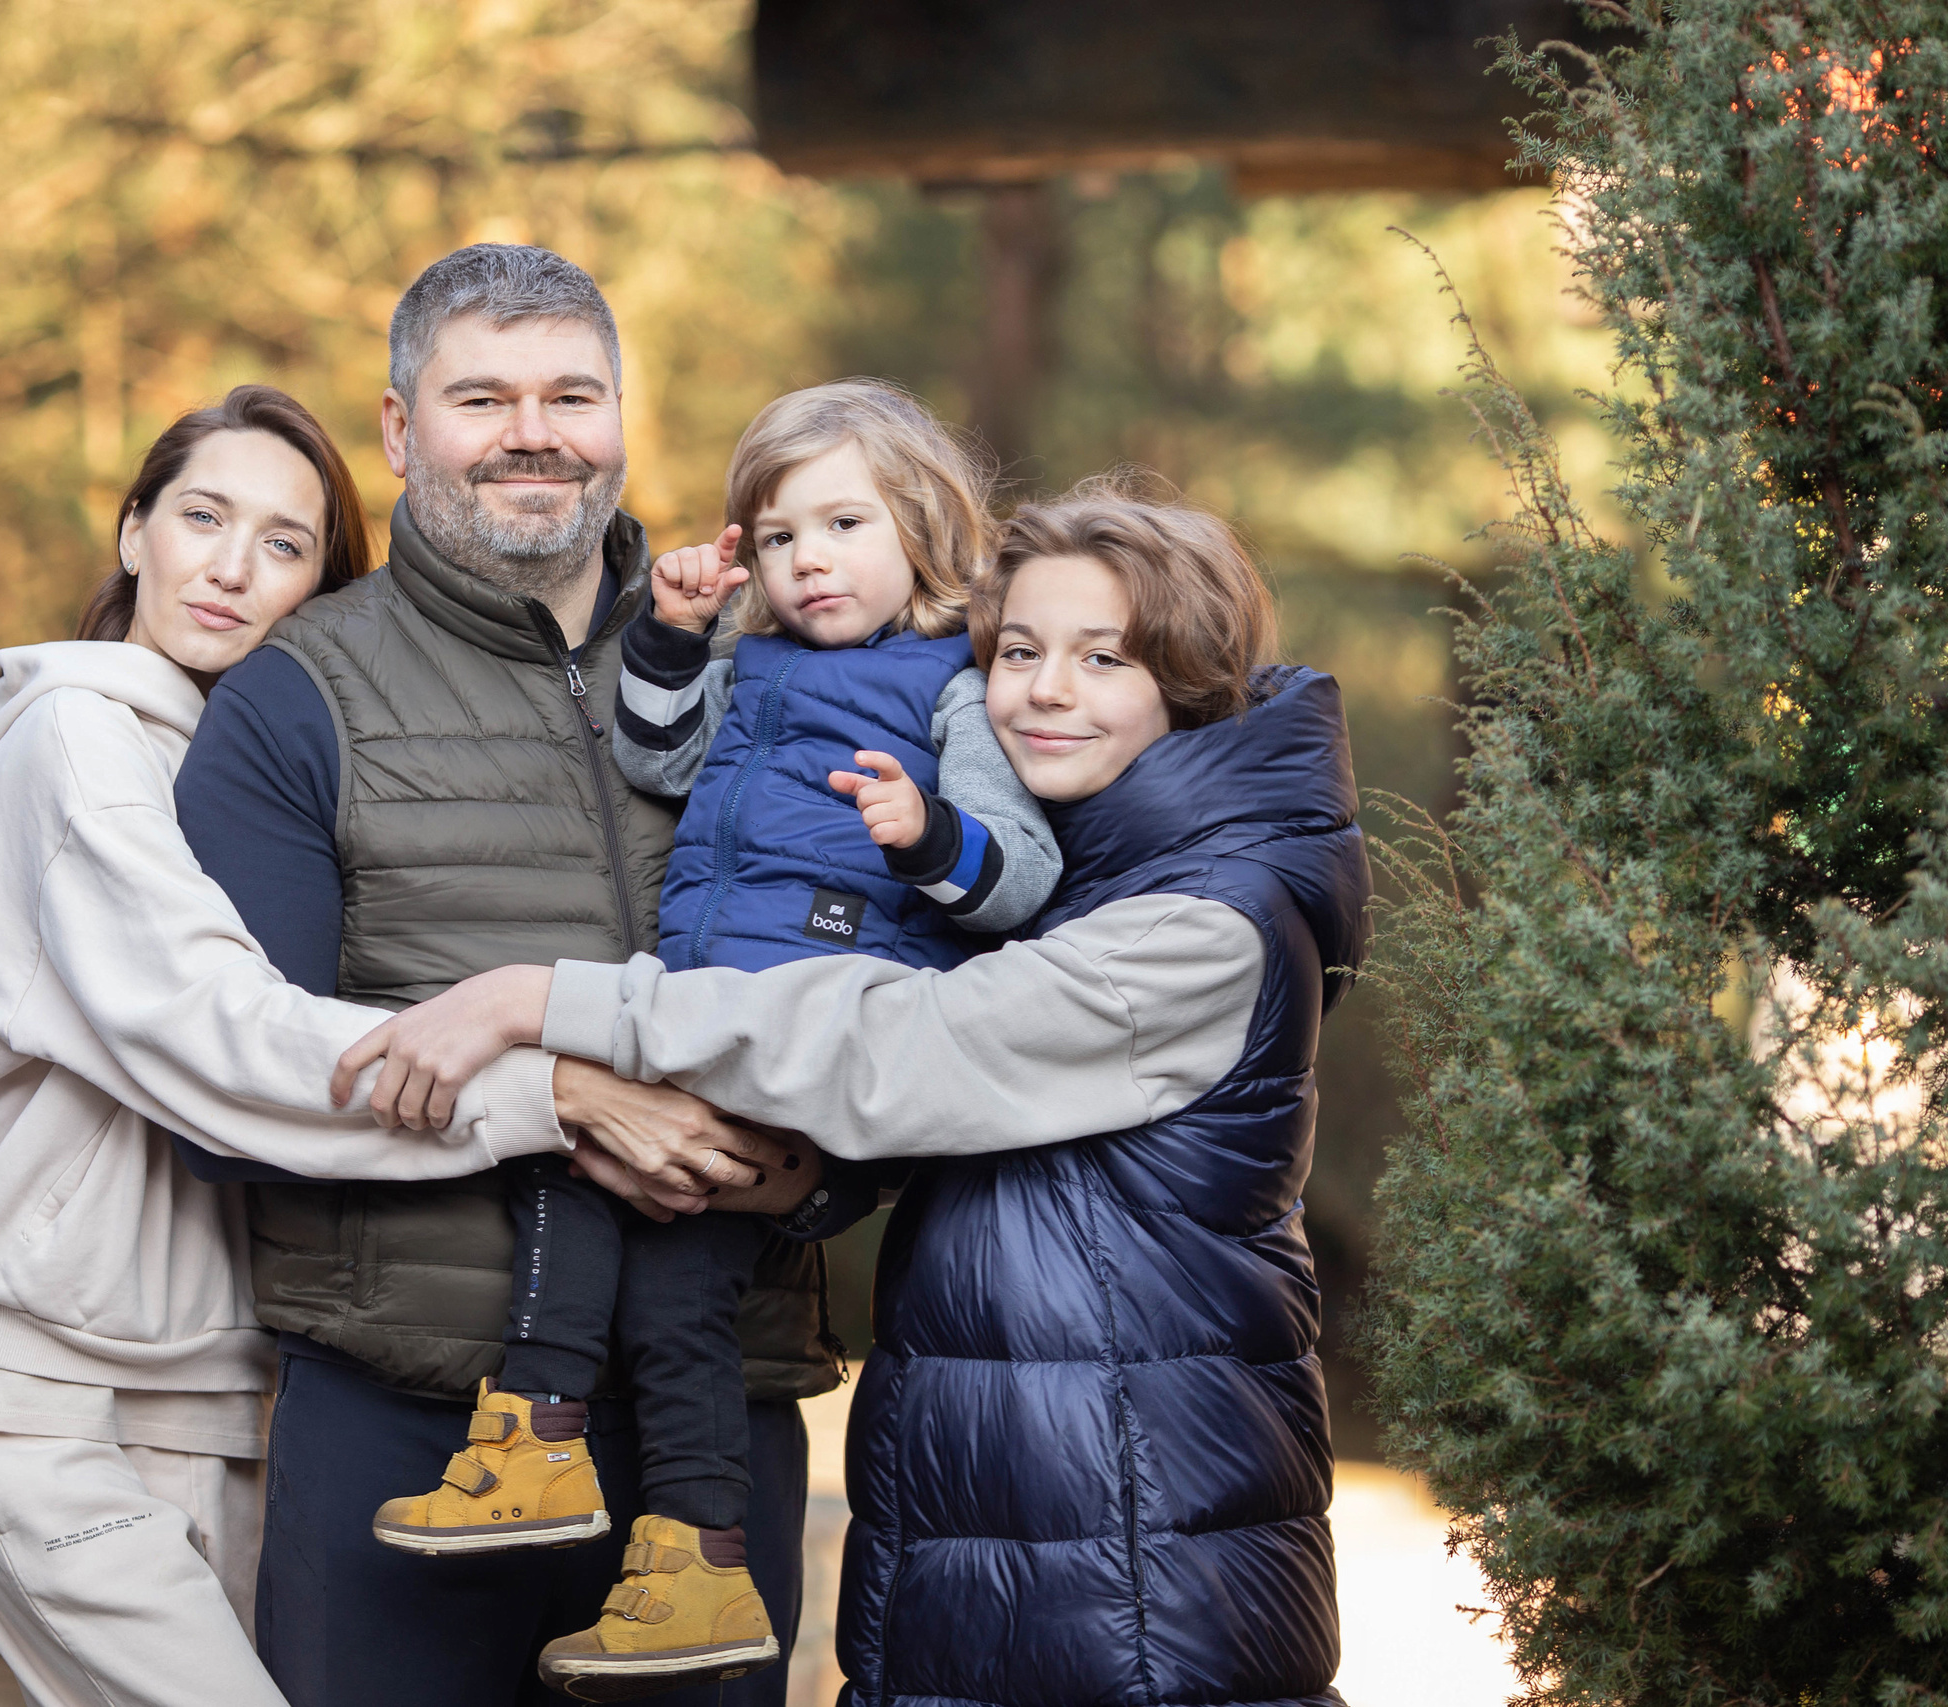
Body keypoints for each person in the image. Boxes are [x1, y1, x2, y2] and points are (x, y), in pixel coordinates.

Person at [359, 474, 1372, 1707]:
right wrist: (806, 1180)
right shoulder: (1081, 884)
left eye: (1104, 658)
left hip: (1132, 1566)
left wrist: (544, 1003)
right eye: (1017, 651)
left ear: (1194, 681)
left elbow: (905, 1048)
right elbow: (994, 1150)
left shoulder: (1198, 927)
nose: (1045, 690)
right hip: (1008, 1535)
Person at [171, 244, 830, 1707]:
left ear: (619, 416)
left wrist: (818, 1171)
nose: (534, 429)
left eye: (571, 393)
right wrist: (575, 1096)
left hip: (713, 1423)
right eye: (482, 395)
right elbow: (226, 1084)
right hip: (407, 1420)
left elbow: (904, 979)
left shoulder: (779, 666)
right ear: (401, 432)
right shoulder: (298, 697)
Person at [358, 380, 1059, 1698]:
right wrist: (677, 636)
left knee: (647, 1241)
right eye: (778, 536)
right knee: (600, 1199)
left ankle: (614, 1494)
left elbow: (1019, 874)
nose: (809, 559)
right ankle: (620, 1499)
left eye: (843, 523)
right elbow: (657, 757)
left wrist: (930, 836)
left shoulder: (955, 686)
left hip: (814, 1032)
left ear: (919, 524)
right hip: (695, 1009)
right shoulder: (756, 665)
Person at [0, 385, 574, 1707]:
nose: (230, 565)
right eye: (202, 515)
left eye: (284, 542)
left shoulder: (246, 764)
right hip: (36, 1370)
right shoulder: (76, 738)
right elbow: (221, 1033)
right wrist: (561, 1082)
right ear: (136, 529)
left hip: (208, 1374)